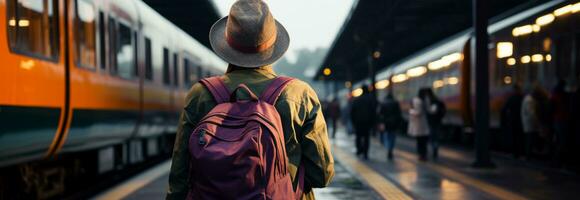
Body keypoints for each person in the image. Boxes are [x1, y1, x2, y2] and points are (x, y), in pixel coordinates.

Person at [166, 1, 334, 199]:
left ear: (228, 43)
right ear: (272, 45)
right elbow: (321, 174)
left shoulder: (200, 94)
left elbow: (180, 173)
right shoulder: (300, 94)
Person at [521, 84, 548, 160]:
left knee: (530, 140)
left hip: (529, 124)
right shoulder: (530, 100)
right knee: (530, 140)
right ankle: (529, 156)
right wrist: (538, 122)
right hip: (530, 124)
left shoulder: (528, 99)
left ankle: (529, 156)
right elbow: (531, 113)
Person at [350, 85, 375, 160]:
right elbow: (373, 112)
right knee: (366, 138)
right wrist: (372, 122)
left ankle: (359, 150)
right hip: (367, 122)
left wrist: (353, 122)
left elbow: (352, 112)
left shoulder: (357, 99)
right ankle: (365, 153)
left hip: (358, 122)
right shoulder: (370, 100)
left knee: (358, 136)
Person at [550, 80, 570, 167]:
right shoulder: (562, 96)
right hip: (562, 120)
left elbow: (551, 109)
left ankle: (556, 161)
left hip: (557, 120)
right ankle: (559, 161)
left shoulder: (554, 95)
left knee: (558, 141)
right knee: (562, 141)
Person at [501, 84, 524, 158]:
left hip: (513, 120)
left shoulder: (511, 98)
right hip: (520, 120)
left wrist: (505, 120)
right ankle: (519, 152)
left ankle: (515, 153)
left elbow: (504, 109)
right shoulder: (522, 98)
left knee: (514, 137)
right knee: (520, 137)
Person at [378, 93, 403, 160]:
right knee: (392, 136)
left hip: (386, 123)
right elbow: (399, 114)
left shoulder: (383, 103)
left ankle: (388, 147)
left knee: (386, 135)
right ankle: (390, 149)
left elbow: (380, 114)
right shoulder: (395, 103)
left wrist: (381, 123)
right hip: (393, 123)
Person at [408, 90, 430, 161]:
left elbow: (418, 112)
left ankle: (421, 155)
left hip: (418, 125)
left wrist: (411, 111)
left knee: (419, 141)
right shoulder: (425, 100)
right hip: (424, 124)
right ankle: (424, 155)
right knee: (424, 142)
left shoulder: (417, 101)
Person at [424, 88, 446, 159]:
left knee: (432, 136)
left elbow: (431, 112)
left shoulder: (430, 102)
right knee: (435, 136)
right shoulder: (437, 100)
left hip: (431, 122)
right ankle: (435, 149)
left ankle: (434, 149)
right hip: (437, 121)